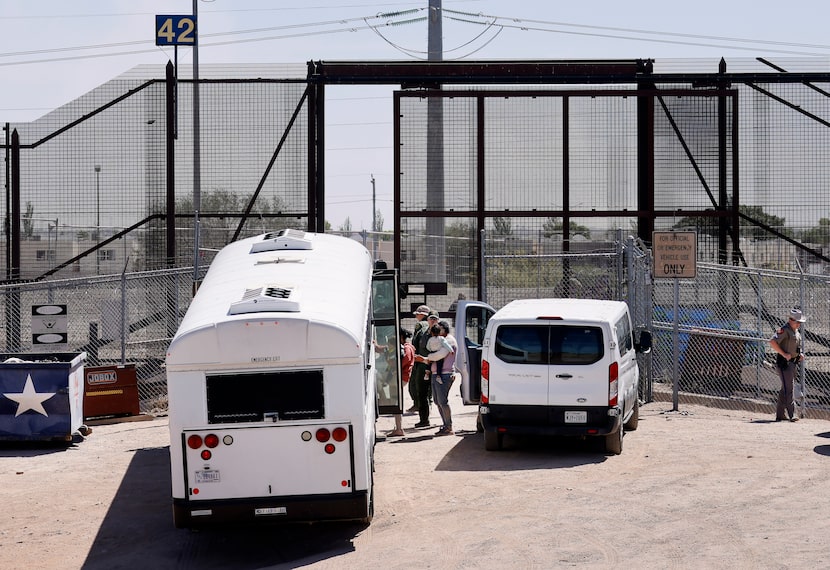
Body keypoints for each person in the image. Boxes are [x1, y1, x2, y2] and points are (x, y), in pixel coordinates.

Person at [417, 320, 457, 436]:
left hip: (444, 374)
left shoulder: (448, 341)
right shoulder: (440, 340)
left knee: (442, 401)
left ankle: (448, 426)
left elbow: (438, 356)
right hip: (437, 374)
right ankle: (446, 425)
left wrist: (424, 359)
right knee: (438, 401)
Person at [770, 307, 806, 422]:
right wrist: (784, 354)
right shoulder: (784, 330)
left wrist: (799, 354)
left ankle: (780, 414)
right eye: (797, 322)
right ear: (791, 320)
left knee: (785, 388)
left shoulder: (795, 331)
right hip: (784, 363)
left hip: (792, 363)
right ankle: (793, 414)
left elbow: (795, 346)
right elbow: (772, 342)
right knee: (788, 389)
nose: (799, 324)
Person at [387, 327, 414, 437]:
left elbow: (404, 360)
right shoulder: (408, 347)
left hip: (399, 377)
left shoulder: (406, 348)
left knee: (396, 402)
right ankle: (398, 427)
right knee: (396, 401)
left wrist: (393, 365)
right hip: (401, 377)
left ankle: (399, 428)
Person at [409, 305, 433, 426]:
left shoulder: (421, 327)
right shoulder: (431, 327)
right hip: (432, 362)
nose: (416, 316)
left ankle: (424, 420)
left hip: (421, 363)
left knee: (421, 392)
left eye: (418, 314)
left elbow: (417, 346)